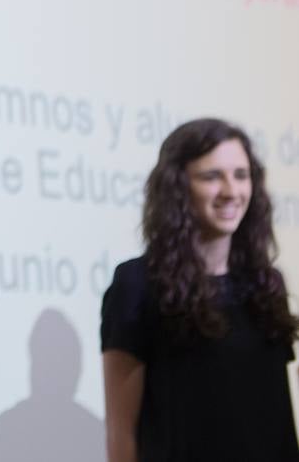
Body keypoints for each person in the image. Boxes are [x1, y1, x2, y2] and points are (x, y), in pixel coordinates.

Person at [101, 118, 299, 461]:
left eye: (241, 175)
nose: (231, 191)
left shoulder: (266, 284)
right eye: (211, 176)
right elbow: (122, 432)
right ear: (177, 187)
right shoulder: (136, 284)